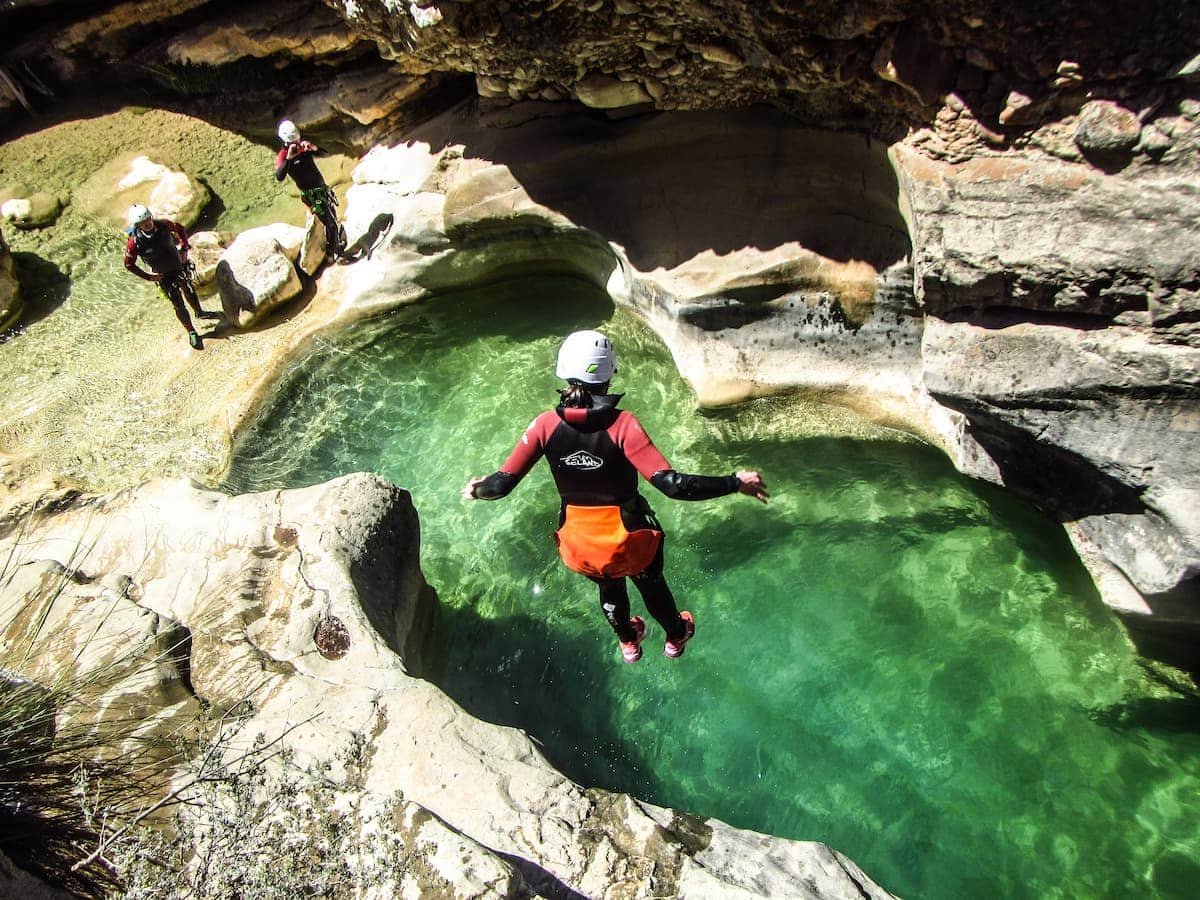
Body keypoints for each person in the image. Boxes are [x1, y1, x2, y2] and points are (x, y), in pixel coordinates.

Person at [462, 330, 769, 663]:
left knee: (608, 585)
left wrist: (477, 488)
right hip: (630, 539)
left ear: (564, 371)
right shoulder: (623, 426)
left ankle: (629, 643)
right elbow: (673, 485)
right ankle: (675, 637)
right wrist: (733, 482)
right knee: (650, 583)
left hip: (579, 545)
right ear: (610, 372)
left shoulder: (544, 425)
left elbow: (502, 484)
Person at [123, 204, 214, 350]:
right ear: (137, 225)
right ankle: (192, 332)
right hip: (163, 276)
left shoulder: (164, 225)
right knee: (178, 304)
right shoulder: (134, 243)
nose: (147, 223)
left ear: (151, 216)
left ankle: (200, 312)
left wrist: (184, 248)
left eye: (148, 219)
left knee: (189, 289)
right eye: (142, 222)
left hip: (178, 265)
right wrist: (149, 277)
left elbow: (180, 229)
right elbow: (128, 264)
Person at [273, 119, 344, 260]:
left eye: (297, 141)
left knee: (333, 218)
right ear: (286, 142)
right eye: (294, 142)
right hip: (311, 195)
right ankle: (334, 254)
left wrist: (314, 148)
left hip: (322, 189)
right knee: (331, 223)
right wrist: (289, 158)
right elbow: (279, 176)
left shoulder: (303, 148)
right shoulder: (283, 155)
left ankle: (333, 245)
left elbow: (325, 154)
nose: (297, 144)